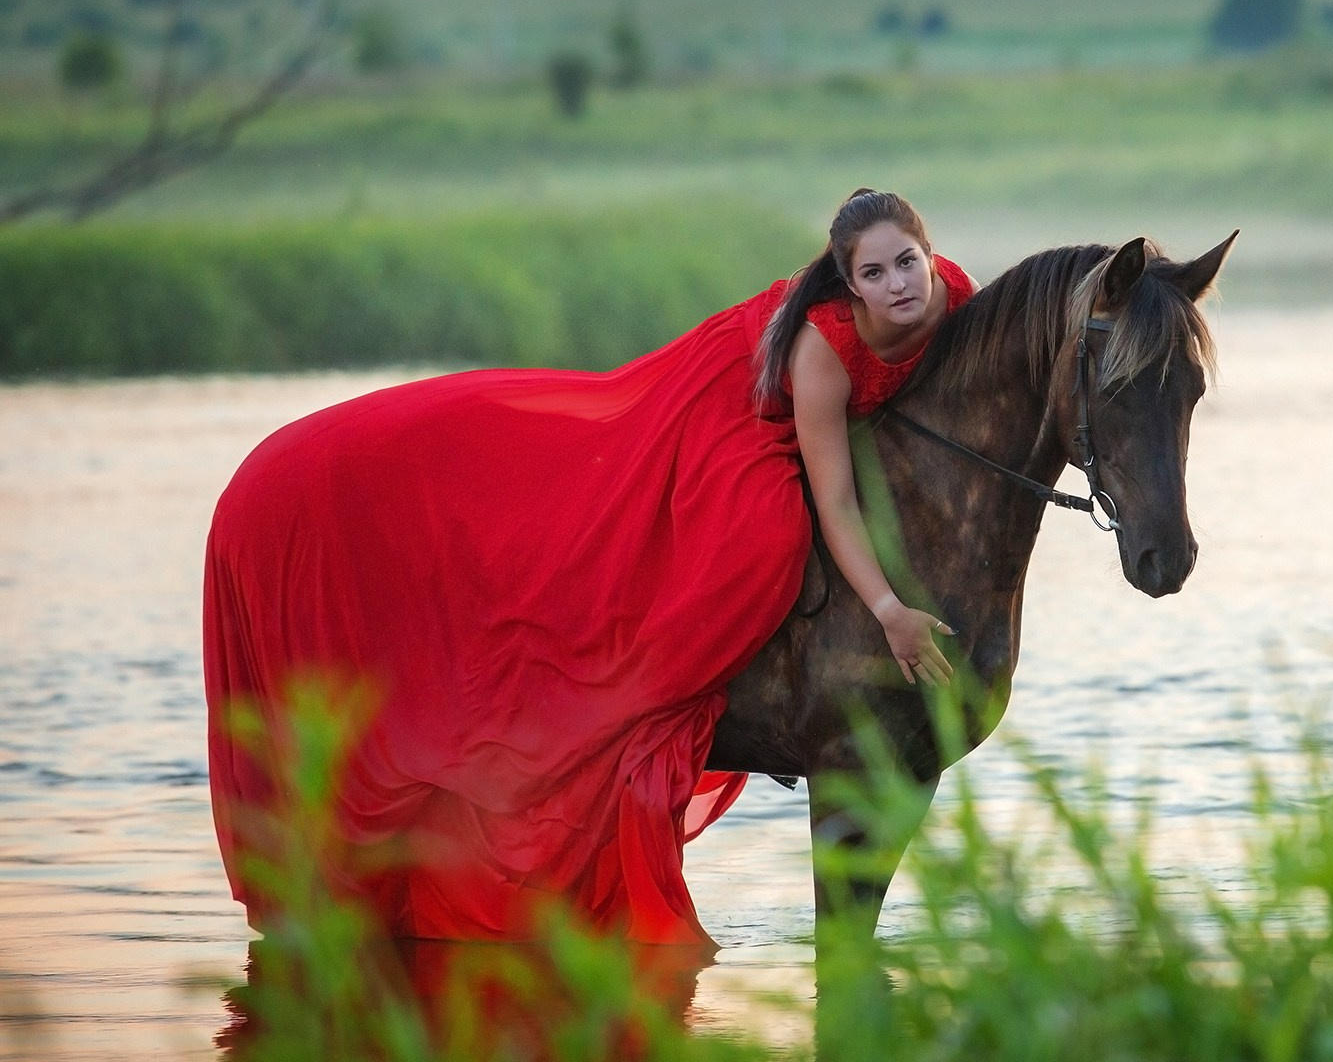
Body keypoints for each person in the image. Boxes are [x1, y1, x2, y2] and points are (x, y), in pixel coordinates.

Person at [203, 189, 973, 947]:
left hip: (823, 409)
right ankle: (671, 693)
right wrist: (886, 609)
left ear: (931, 254)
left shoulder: (958, 304)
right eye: (874, 274)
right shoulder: (824, 348)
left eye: (908, 262)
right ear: (848, 284)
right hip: (731, 400)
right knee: (760, 540)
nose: (899, 284)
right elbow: (834, 498)